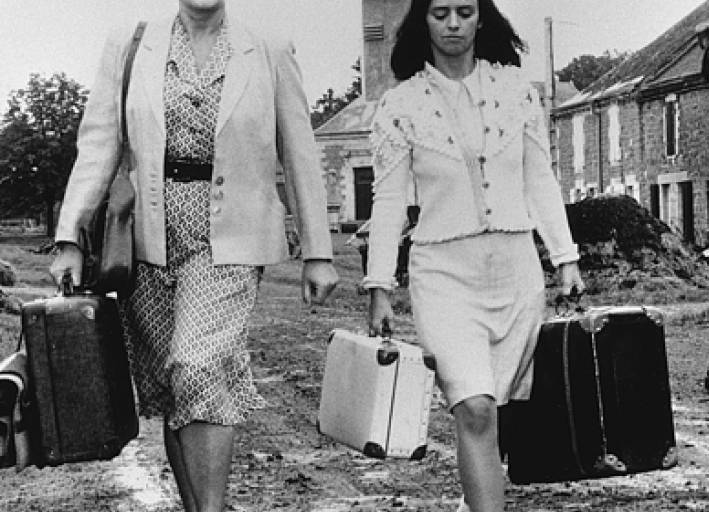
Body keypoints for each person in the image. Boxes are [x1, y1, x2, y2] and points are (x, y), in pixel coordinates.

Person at [48, 1, 339, 511]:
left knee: (197, 366)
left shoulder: (267, 47)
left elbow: (298, 149)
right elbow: (99, 143)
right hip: (146, 240)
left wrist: (318, 250)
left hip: (230, 239)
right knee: (172, 385)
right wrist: (70, 236)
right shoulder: (132, 43)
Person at [364, 1, 585, 511]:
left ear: (481, 17)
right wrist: (379, 286)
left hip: (515, 274)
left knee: (497, 410)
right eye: (440, 13)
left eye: (464, 11)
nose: (453, 24)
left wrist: (565, 257)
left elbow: (539, 178)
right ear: (423, 20)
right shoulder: (400, 105)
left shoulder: (518, 91)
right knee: (476, 409)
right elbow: (389, 200)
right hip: (443, 276)